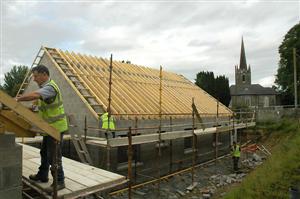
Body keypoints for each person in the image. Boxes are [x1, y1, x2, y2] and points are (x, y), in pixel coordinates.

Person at [16, 65, 68, 193]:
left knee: (54, 156)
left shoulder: (50, 87)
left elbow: (35, 95)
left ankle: (60, 181)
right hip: (48, 128)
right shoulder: (45, 88)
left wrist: (18, 99)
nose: (34, 79)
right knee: (44, 153)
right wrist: (31, 109)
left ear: (44, 74)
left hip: (55, 128)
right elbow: (41, 106)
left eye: (36, 76)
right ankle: (43, 175)